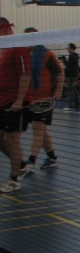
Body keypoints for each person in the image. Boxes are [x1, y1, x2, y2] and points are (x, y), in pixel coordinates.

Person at [20, 27, 64, 175]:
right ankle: (52, 158)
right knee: (42, 130)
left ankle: (31, 162)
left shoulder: (47, 54)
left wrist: (58, 91)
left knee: (37, 128)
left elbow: (60, 73)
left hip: (44, 99)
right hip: (31, 98)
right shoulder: (26, 56)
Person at [0, 17, 32, 193]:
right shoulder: (4, 47)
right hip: (2, 100)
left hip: (15, 101)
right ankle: (21, 165)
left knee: (13, 138)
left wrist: (19, 100)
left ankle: (14, 179)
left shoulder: (18, 46)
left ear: (4, 28)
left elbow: (25, 75)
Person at [64, 43, 80, 111]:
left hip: (71, 76)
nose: (67, 49)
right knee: (74, 91)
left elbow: (69, 66)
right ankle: (77, 105)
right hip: (74, 75)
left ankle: (71, 106)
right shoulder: (75, 56)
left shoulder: (72, 56)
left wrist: (66, 74)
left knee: (71, 91)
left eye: (68, 48)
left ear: (71, 48)